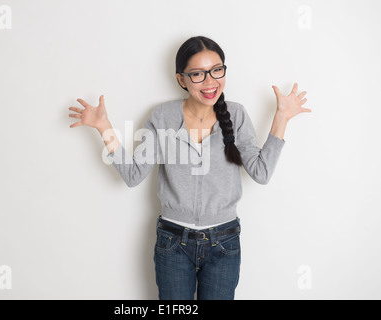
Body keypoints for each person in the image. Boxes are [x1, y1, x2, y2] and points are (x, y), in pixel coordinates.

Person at [68, 36, 310, 300]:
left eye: (217, 70)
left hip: (224, 242)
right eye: (197, 74)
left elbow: (261, 173)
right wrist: (104, 127)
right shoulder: (163, 116)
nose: (210, 82)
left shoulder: (236, 114)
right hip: (173, 243)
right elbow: (133, 175)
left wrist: (282, 117)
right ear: (181, 79)